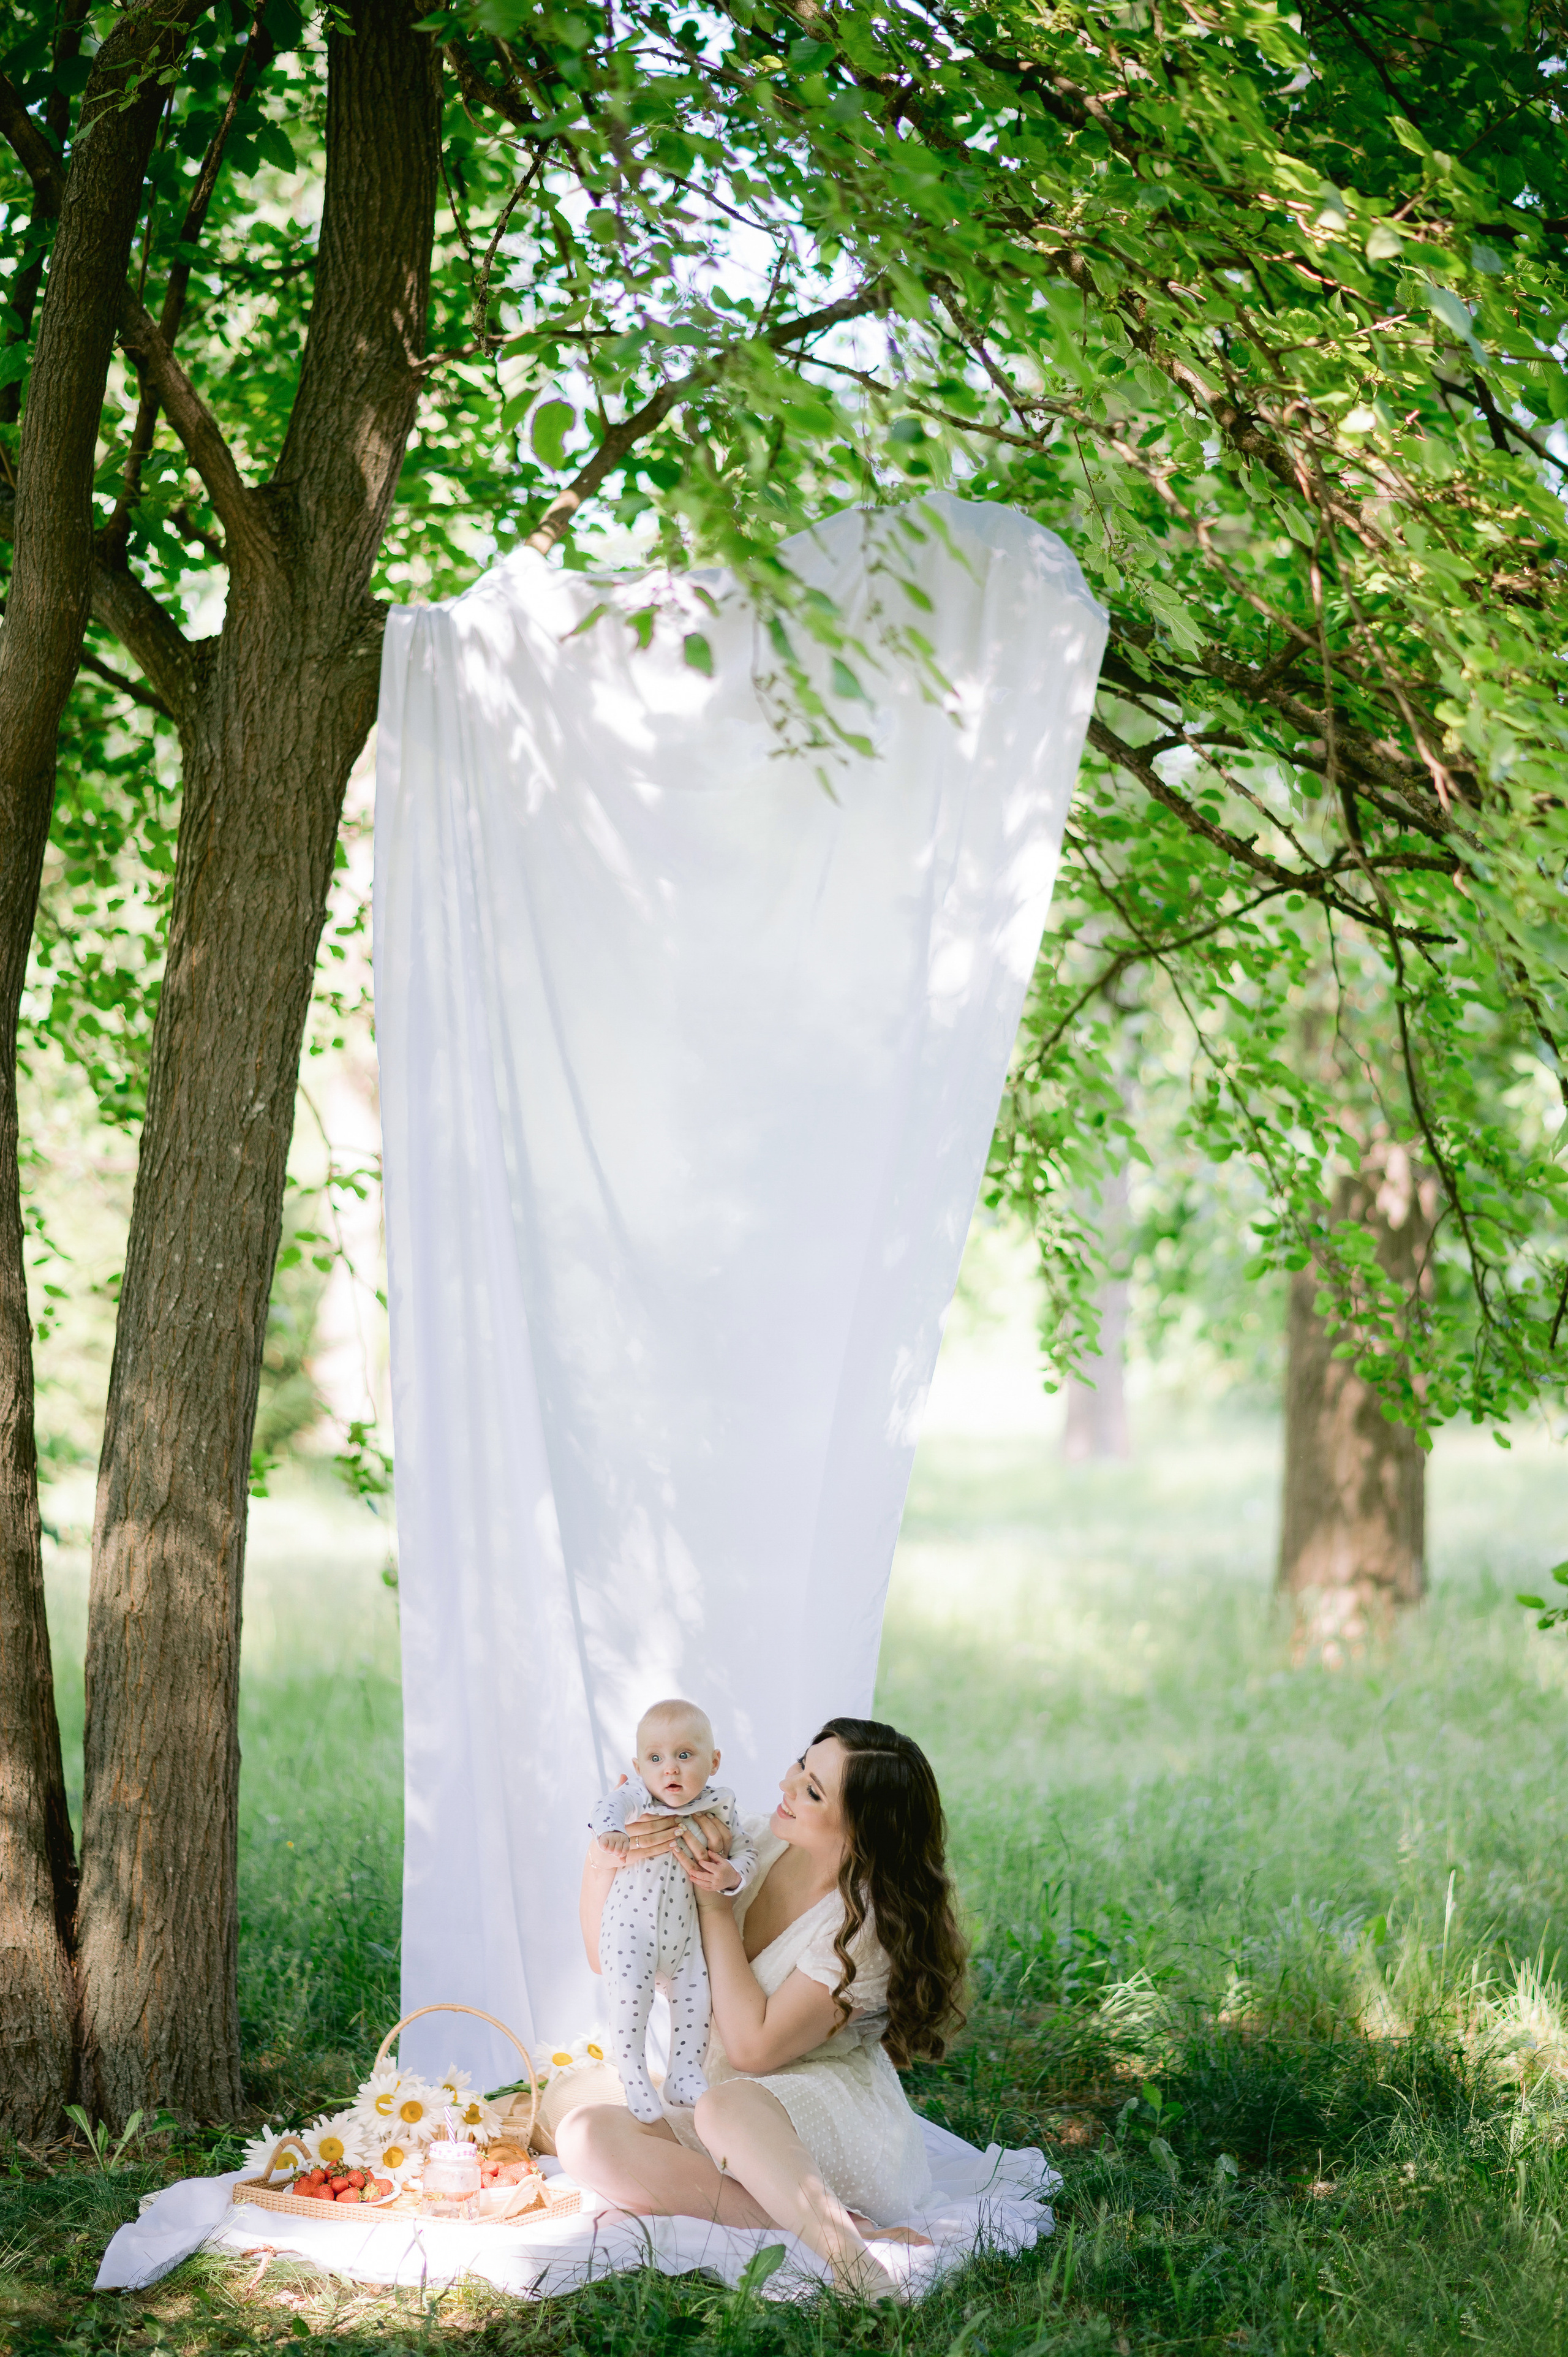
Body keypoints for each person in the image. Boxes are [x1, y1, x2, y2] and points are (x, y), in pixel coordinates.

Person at [560, 1716, 967, 2294]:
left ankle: (853, 2267)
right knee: (586, 2134)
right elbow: (610, 1957)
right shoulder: (755, 1843)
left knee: (725, 2108)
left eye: (812, 1789)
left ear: (863, 1826)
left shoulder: (863, 1924)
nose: (786, 1782)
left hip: (823, 2110)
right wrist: (608, 1857)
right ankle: (845, 2230)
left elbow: (753, 2050)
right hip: (727, 2103)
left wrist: (715, 1908)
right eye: (802, 1764)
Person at [588, 1697, 758, 2121]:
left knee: (697, 1998)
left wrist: (732, 1874)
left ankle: (683, 2074)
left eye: (685, 1755)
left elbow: (746, 1850)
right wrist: (610, 1832)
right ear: (639, 1765)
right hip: (631, 1929)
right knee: (631, 1998)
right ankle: (634, 2073)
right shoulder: (639, 1796)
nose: (671, 1768)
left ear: (714, 1761)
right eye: (656, 1757)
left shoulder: (720, 1804)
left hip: (684, 1939)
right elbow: (607, 1807)